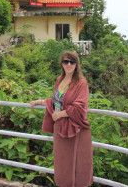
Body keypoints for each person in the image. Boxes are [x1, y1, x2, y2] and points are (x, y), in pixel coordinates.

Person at [29, 51, 93, 186]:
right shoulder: (59, 80)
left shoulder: (81, 83)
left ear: (76, 64)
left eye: (72, 62)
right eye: (65, 61)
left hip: (75, 129)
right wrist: (40, 101)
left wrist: (61, 114)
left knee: (77, 163)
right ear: (62, 64)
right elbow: (55, 100)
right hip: (60, 127)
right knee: (62, 162)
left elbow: (80, 107)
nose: (68, 64)